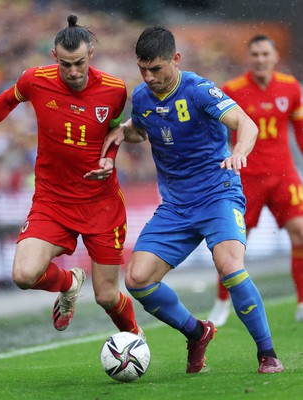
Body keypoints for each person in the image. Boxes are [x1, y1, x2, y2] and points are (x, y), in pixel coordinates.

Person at [102, 26, 283, 374]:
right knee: (137, 280)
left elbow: (246, 124)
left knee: (230, 266)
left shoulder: (199, 90)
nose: (149, 77)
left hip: (218, 195)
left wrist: (239, 153)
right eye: (143, 68)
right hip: (176, 206)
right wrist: (124, 131)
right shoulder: (140, 97)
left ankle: (267, 353)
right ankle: (197, 332)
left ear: (176, 60)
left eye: (156, 68)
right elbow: (143, 129)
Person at [0, 15, 143, 338]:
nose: (73, 72)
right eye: (65, 64)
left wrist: (110, 159)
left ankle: (134, 338)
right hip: (52, 200)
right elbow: (6, 101)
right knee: (23, 274)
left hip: (100, 202)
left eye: (78, 64)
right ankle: (69, 282)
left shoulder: (115, 90)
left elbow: (115, 131)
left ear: (90, 56)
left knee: (106, 296)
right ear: (53, 56)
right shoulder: (36, 79)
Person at [208, 34, 303, 326]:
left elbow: (300, 131)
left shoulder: (291, 87)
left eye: (265, 54)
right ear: (249, 58)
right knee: (233, 244)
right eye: (255, 55)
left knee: (300, 232)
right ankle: (221, 303)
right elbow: (216, 135)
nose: (260, 59)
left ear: (275, 57)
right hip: (245, 178)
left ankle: (302, 301)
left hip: (284, 175)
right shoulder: (232, 90)